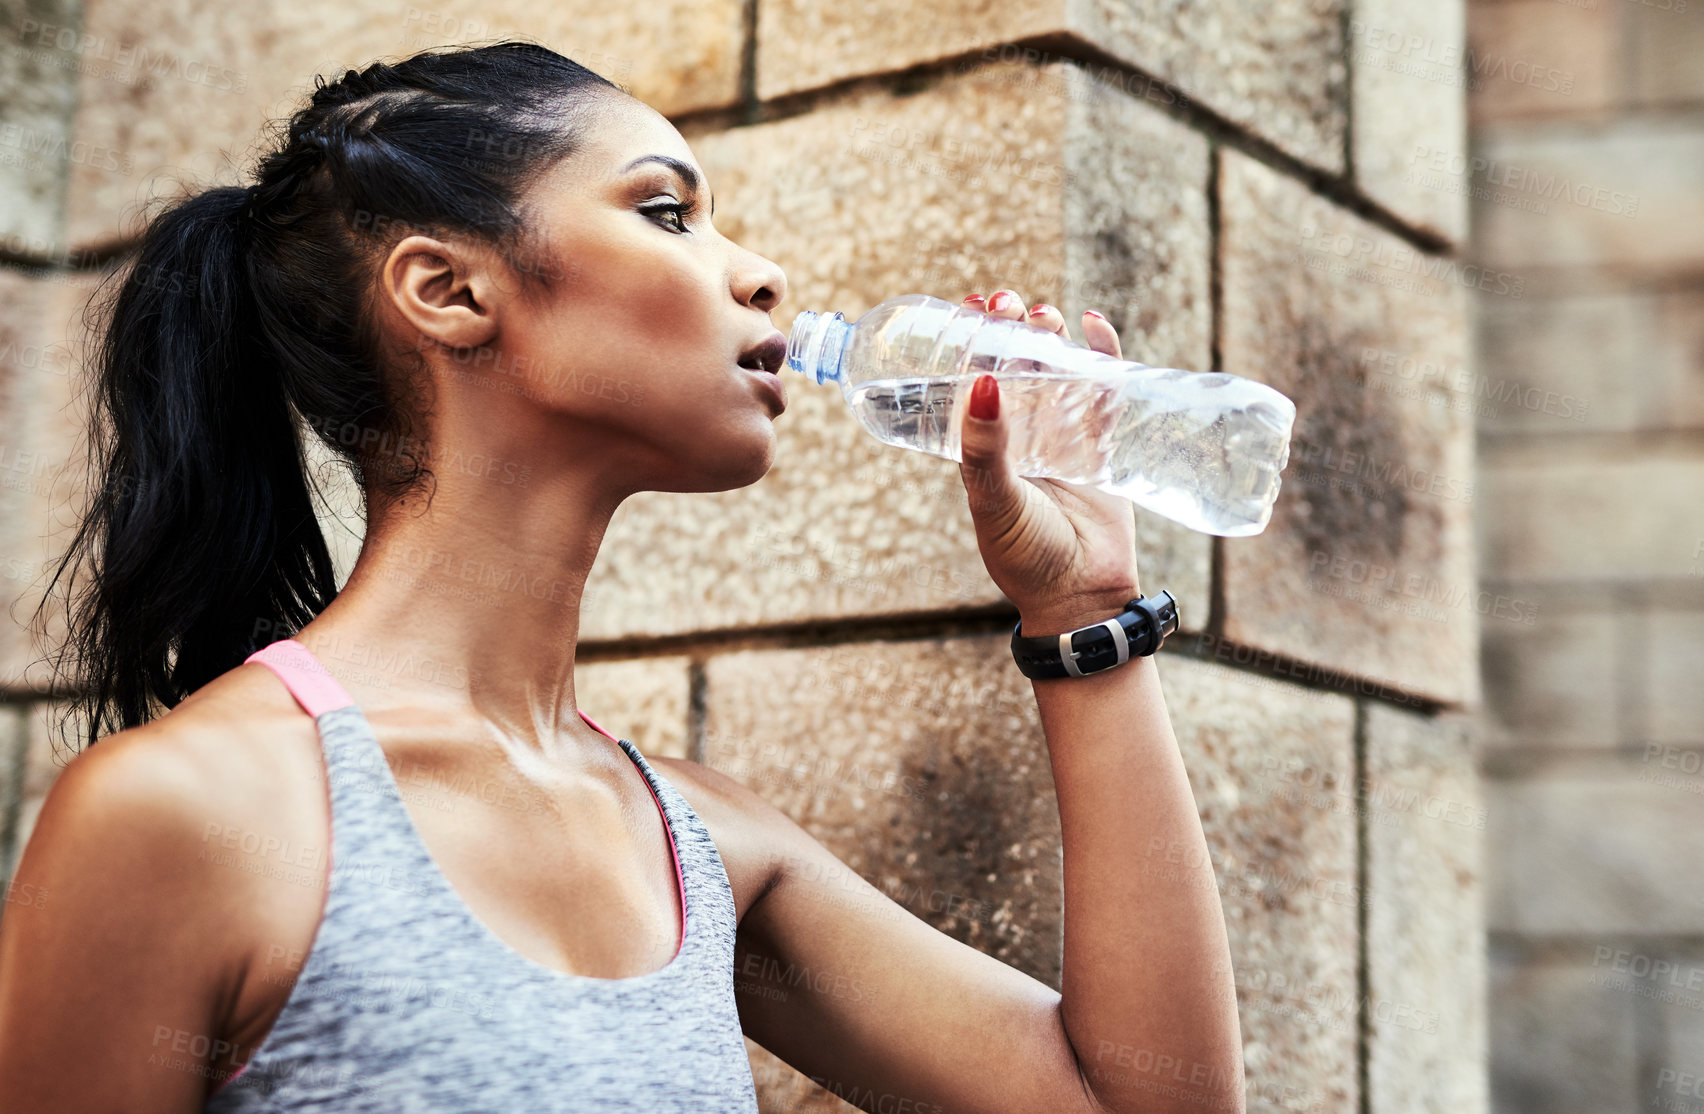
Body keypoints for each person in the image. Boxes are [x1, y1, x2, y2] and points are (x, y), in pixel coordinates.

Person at [0, 41, 1243, 1113]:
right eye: (667, 211)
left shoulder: (704, 845)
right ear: (448, 289)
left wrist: (1084, 618)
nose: (761, 275)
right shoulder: (185, 815)